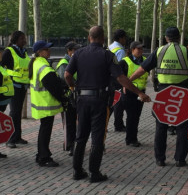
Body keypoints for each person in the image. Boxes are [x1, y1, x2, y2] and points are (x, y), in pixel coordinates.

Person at [64, 26, 151, 183]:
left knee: (80, 136)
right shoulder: (107, 55)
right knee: (98, 138)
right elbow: (120, 78)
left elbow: (67, 75)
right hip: (100, 101)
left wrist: (74, 88)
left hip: (82, 100)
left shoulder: (78, 54)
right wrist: (139, 93)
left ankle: (77, 171)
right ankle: (94, 173)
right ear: (103, 38)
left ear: (89, 37)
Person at [129, 27, 188, 167]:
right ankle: (180, 159)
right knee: (182, 126)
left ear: (166, 38)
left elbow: (142, 69)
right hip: (182, 93)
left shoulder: (159, 51)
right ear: (179, 37)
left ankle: (160, 159)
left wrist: (129, 81)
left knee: (161, 126)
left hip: (164, 93)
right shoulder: (185, 51)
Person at [29, 40, 67, 167]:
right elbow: (52, 85)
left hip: (41, 103)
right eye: (46, 49)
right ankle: (44, 157)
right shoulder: (43, 66)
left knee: (44, 130)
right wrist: (63, 98)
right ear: (39, 52)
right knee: (45, 131)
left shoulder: (36, 63)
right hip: (46, 104)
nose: (49, 51)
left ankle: (41, 154)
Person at [2, 31, 31, 148]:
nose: (24, 41)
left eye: (25, 38)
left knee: (17, 112)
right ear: (16, 40)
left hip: (23, 86)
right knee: (14, 112)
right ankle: (10, 139)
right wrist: (14, 74)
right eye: (22, 39)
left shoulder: (24, 52)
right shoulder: (9, 52)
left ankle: (17, 136)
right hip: (14, 85)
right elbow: (2, 68)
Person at [119, 41, 147, 147]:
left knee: (137, 116)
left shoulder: (145, 61)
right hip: (129, 93)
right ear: (132, 50)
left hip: (141, 93)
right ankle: (130, 139)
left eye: (141, 49)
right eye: (138, 49)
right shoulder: (124, 62)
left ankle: (133, 137)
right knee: (131, 116)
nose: (140, 51)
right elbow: (119, 78)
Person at [56, 41, 80, 156]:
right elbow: (64, 79)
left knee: (75, 122)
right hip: (68, 97)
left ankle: (74, 144)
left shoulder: (75, 61)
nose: (76, 52)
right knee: (69, 122)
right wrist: (75, 85)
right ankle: (69, 145)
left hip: (75, 96)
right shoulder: (64, 63)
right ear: (69, 51)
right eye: (74, 50)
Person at [108, 29, 127, 132]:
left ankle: (105, 123)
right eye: (124, 38)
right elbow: (120, 68)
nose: (125, 40)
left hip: (109, 78)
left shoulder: (110, 47)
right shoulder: (120, 50)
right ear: (121, 38)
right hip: (117, 80)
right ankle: (118, 125)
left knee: (111, 103)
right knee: (118, 103)